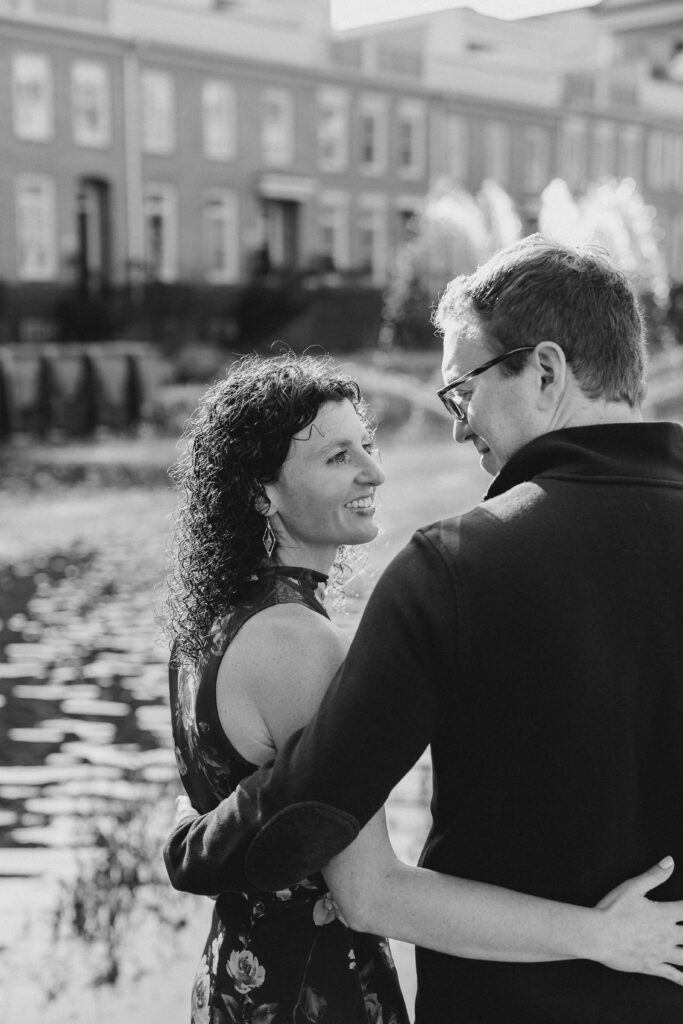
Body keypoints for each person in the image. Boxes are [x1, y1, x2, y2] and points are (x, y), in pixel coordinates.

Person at [164, 280, 683, 1024]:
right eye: (340, 455)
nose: (454, 427)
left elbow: (314, 803)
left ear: (544, 371)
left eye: (461, 391)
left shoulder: (455, 564)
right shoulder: (301, 633)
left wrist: (191, 850)